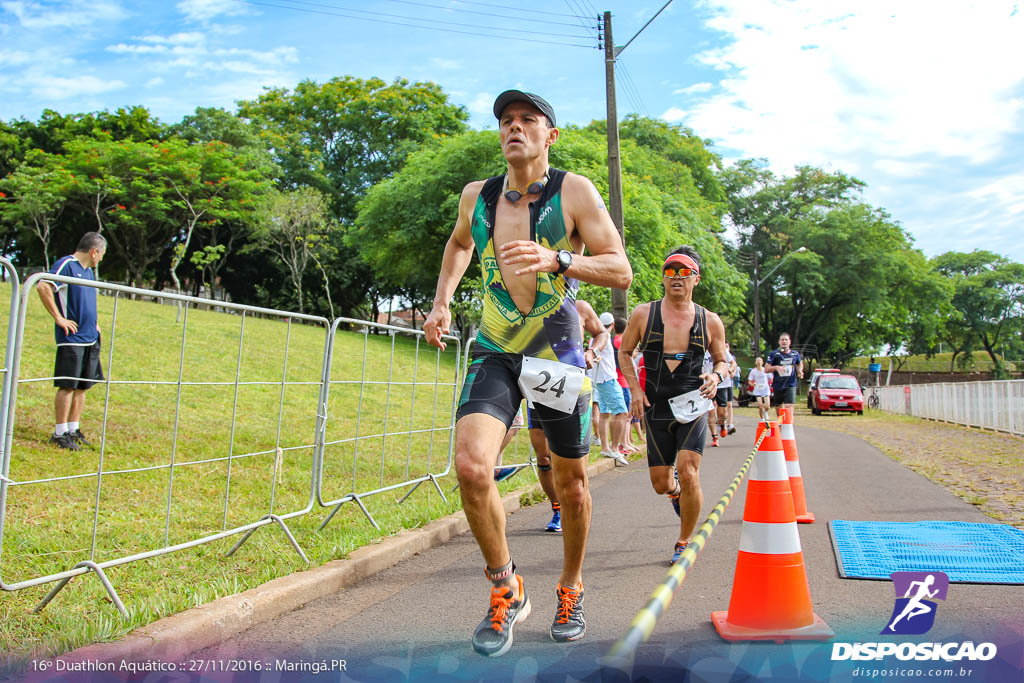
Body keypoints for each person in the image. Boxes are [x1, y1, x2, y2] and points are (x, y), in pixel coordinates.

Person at [422, 89, 632, 657]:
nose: (515, 128)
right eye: (506, 121)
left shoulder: (574, 192)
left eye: (528, 120)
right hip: (495, 346)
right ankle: (506, 586)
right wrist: (441, 301)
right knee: (470, 466)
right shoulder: (477, 196)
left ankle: (570, 586)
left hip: (554, 351)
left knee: (574, 486)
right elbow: (458, 245)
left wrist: (560, 259)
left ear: (549, 136)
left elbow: (621, 270)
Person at [618, 246, 728, 566]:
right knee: (661, 484)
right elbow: (624, 353)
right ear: (663, 278)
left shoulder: (711, 321)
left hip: (693, 403)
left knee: (689, 471)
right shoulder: (643, 314)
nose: (676, 278)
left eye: (683, 272)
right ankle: (676, 492)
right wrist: (635, 391)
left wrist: (716, 377)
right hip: (655, 405)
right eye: (670, 271)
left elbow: (722, 362)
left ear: (696, 278)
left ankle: (684, 540)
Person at [37, 232, 107, 451]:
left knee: (82, 387)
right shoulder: (66, 265)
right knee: (68, 385)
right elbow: (42, 286)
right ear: (94, 252)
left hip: (90, 337)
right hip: (72, 338)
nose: (102, 259)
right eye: (102, 254)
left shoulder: (89, 273)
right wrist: (59, 318)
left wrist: (95, 324)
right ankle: (59, 433)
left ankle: (73, 429)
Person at [594, 311, 629, 465]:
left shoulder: (594, 338)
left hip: (600, 380)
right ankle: (615, 448)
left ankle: (605, 447)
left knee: (605, 414)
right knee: (621, 412)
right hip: (608, 378)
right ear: (613, 325)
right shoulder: (606, 336)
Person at [766, 332, 804, 419]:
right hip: (778, 385)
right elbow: (766, 369)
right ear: (779, 342)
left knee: (789, 407)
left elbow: (799, 363)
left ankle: (789, 428)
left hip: (790, 384)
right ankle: (780, 426)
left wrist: (799, 371)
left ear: (790, 342)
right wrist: (776, 367)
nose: (784, 341)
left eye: (786, 340)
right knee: (779, 410)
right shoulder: (774, 354)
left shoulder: (795, 354)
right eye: (782, 340)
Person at [713, 342, 738, 438]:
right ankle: (714, 435)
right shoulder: (702, 349)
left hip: (722, 384)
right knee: (711, 410)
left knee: (724, 410)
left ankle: (723, 425)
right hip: (708, 383)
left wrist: (730, 371)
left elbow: (733, 364)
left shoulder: (723, 351)